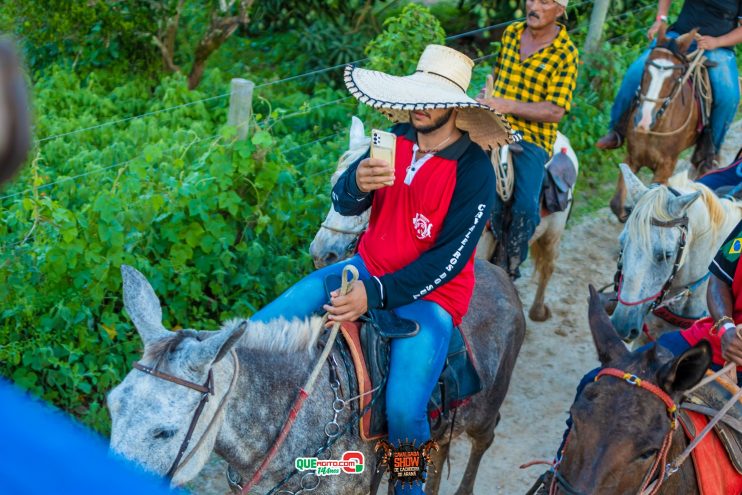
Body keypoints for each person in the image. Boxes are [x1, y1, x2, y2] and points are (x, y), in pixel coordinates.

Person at [250, 44, 514, 494]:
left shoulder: (474, 173)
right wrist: (355, 182)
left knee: (404, 410)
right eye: (418, 96)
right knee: (260, 327)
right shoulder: (392, 140)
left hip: (430, 298)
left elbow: (448, 260)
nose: (421, 108)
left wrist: (372, 295)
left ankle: (408, 485)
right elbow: (346, 205)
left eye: (433, 99)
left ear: (455, 106)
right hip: (363, 266)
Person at [532, 218, 742, 493]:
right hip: (712, 340)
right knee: (595, 380)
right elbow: (720, 280)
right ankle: (558, 474)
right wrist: (726, 327)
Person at [476, 0, 578, 279]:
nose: (533, 6)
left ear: (559, 10)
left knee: (524, 206)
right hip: (492, 124)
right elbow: (497, 74)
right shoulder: (511, 33)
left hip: (531, 138)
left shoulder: (565, 53)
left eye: (544, 2)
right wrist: (487, 95)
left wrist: (507, 105)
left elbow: (555, 110)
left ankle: (508, 267)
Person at [596, 0, 742, 171]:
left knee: (728, 96)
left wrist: (717, 42)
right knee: (635, 72)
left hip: (717, 46)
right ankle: (617, 129)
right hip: (679, 36)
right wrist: (661, 19)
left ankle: (709, 153)